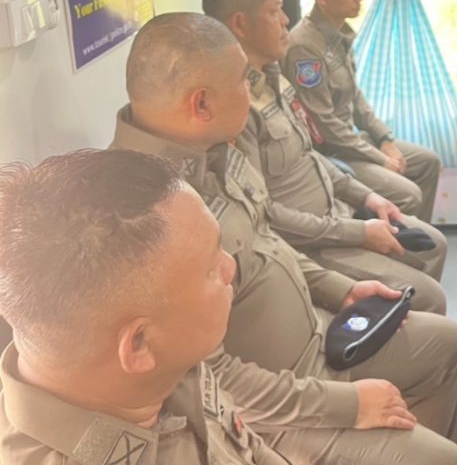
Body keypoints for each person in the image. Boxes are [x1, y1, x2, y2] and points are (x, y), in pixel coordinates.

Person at [112, 12, 457, 464]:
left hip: (317, 337)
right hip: (274, 407)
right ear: (201, 104)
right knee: (444, 461)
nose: (252, 91)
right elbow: (210, 381)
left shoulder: (215, 152)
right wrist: (349, 405)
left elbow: (265, 238)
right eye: (244, 82)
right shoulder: (143, 216)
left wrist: (341, 290)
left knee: (446, 343)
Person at [0, 149, 287, 463]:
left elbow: (249, 449)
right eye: (210, 270)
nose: (230, 266)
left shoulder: (163, 360)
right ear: (139, 344)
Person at [201, 0, 448, 314]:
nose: (286, 19)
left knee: (432, 244)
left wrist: (367, 196)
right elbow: (265, 216)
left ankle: (400, 322)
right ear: (240, 24)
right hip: (308, 244)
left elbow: (309, 153)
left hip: (333, 213)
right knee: (430, 296)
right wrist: (358, 232)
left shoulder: (273, 79)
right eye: (275, 10)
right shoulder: (235, 110)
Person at [285, 0, 442, 223]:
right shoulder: (304, 47)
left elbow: (355, 97)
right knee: (409, 195)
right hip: (332, 154)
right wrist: (379, 158)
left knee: (428, 162)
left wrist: (384, 139)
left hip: (353, 141)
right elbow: (324, 125)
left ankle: (419, 241)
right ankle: (395, 247)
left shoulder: (338, 34)